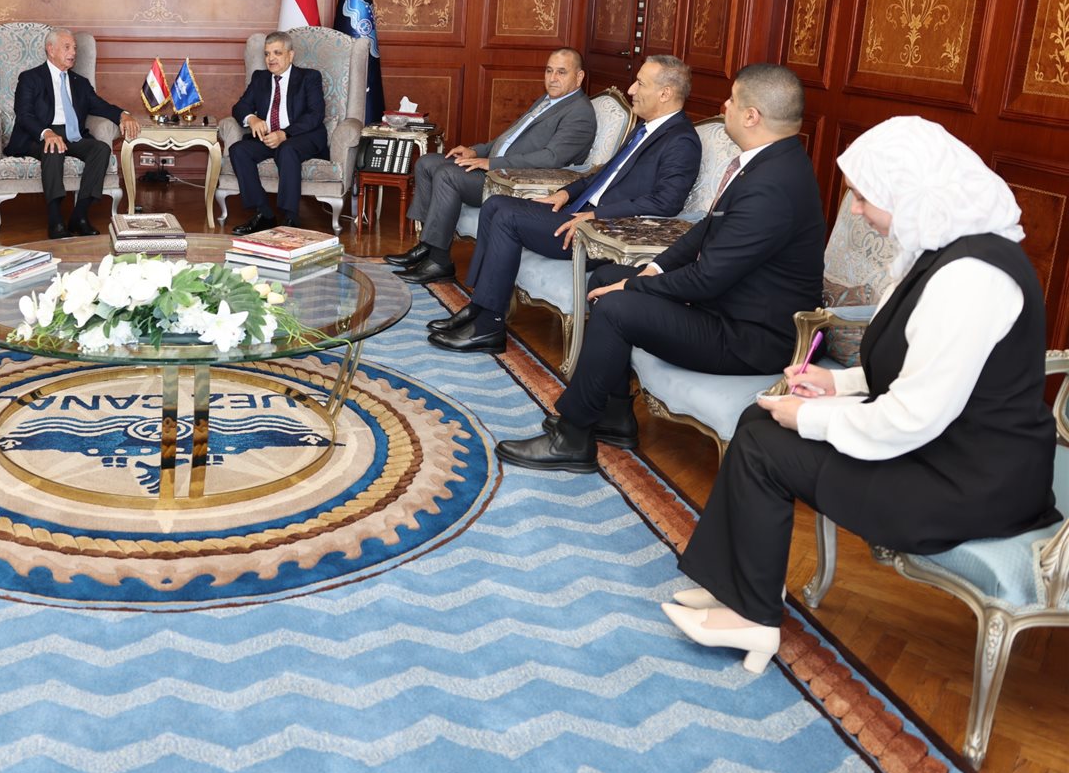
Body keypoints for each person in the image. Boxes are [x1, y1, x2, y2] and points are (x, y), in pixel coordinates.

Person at [662, 116, 1061, 674]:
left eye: (863, 196)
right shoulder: (939, 252)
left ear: (911, 192)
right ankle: (738, 585)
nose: (853, 210)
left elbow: (914, 416)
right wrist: (836, 383)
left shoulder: (972, 277)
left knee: (764, 445)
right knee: (757, 420)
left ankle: (752, 617)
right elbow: (916, 370)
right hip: (942, 451)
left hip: (969, 483)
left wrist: (810, 417)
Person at [496, 63, 825, 470]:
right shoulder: (770, 163)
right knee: (608, 276)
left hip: (749, 337)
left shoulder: (772, 186)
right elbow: (705, 230)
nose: (723, 106)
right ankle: (614, 415)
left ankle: (572, 437)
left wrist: (634, 288)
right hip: (729, 307)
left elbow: (707, 280)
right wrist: (652, 269)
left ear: (752, 116)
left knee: (617, 306)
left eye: (732, 100)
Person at [427, 55, 703, 351]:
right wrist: (565, 193)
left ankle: (488, 327)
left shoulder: (681, 141)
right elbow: (604, 174)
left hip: (600, 232)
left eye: (640, 83)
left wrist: (595, 215)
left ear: (665, 93)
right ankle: (481, 307)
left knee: (506, 215)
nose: (632, 90)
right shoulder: (646, 129)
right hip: (578, 212)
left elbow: (665, 203)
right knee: (496, 205)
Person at [388, 48, 596, 282]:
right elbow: (509, 138)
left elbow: (551, 158)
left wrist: (491, 163)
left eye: (561, 72)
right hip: (497, 168)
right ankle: (427, 245)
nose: (553, 78)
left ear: (579, 77)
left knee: (447, 174)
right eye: (549, 71)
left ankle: (439, 261)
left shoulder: (580, 113)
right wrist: (477, 151)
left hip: (512, 181)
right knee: (427, 162)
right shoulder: (548, 100)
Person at [7, 27, 141, 238]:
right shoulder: (30, 78)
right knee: (53, 148)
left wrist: (123, 115)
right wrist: (46, 132)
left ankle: (80, 215)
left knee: (101, 149)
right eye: (67, 47)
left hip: (72, 134)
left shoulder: (80, 82)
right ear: (51, 49)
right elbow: (23, 114)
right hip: (38, 135)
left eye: (75, 48)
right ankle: (55, 220)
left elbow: (99, 105)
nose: (73, 53)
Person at [229, 31, 327, 235]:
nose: (271, 59)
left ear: (290, 55)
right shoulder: (260, 78)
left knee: (286, 150)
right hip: (268, 137)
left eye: (277, 53)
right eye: (267, 54)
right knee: (238, 150)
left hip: (301, 137)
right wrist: (252, 119)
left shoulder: (309, 77)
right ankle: (264, 213)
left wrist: (285, 134)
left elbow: (315, 115)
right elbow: (240, 107)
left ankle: (290, 217)